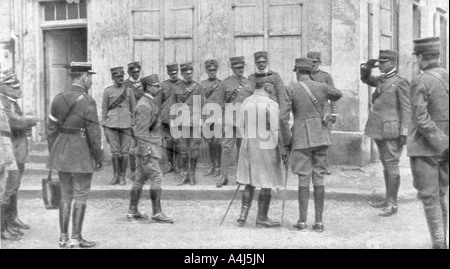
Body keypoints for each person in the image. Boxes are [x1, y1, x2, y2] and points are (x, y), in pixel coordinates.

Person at [280, 58, 342, 233]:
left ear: (297, 72)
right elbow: (337, 94)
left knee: (303, 178)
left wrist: (287, 140)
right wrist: (327, 113)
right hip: (321, 136)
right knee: (319, 178)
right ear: (310, 71)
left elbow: (283, 119)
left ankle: (301, 221)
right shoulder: (321, 86)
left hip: (301, 138)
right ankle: (319, 222)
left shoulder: (291, 89)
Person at [47, 62, 104, 248]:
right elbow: (94, 133)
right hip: (81, 153)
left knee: (65, 195)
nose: (92, 82)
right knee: (80, 194)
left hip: (61, 151)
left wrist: (54, 152)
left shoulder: (58, 98)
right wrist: (98, 156)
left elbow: (51, 130)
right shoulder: (88, 101)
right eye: (91, 78)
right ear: (84, 77)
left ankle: (63, 238)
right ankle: (75, 238)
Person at [408, 37, 449, 249]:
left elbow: (421, 119)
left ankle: (439, 244)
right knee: (441, 194)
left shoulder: (421, 80)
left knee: (430, 198)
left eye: (416, 58)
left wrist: (441, 142)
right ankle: (440, 242)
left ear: (421, 58)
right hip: (447, 149)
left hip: (427, 149)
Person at [360, 50, 411, 217]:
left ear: (391, 63)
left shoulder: (400, 82)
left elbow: (406, 109)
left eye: (382, 63)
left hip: (391, 131)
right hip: (379, 129)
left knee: (392, 164)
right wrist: (366, 67)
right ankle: (388, 198)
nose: (379, 65)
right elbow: (366, 79)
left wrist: (404, 132)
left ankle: (393, 203)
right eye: (379, 62)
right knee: (385, 163)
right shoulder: (382, 79)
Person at [236, 75, 284, 228]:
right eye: (272, 85)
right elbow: (277, 129)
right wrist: (284, 148)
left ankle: (243, 215)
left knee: (249, 181)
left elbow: (239, 125)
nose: (273, 88)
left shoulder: (246, 101)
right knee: (266, 181)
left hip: (248, 143)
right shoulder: (271, 104)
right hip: (266, 146)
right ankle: (262, 217)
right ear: (267, 86)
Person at [127, 74, 173, 224]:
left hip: (146, 148)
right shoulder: (144, 105)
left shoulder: (149, 102)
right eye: (156, 86)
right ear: (148, 87)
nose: (159, 88)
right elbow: (140, 132)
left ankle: (132, 211)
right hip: (147, 149)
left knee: (139, 178)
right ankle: (157, 212)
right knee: (157, 177)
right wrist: (146, 151)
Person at [208, 56, 254, 188]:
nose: (240, 70)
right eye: (237, 68)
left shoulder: (249, 83)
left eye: (242, 67)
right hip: (228, 121)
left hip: (244, 121)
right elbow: (219, 103)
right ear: (232, 68)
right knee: (227, 148)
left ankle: (241, 176)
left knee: (243, 149)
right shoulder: (225, 83)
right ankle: (224, 176)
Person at [0, 74, 37, 233]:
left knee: (14, 186)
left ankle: (12, 218)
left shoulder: (11, 102)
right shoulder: (3, 102)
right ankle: (6, 224)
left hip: (17, 149)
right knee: (7, 188)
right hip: (9, 151)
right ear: (4, 87)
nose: (19, 90)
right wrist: (31, 121)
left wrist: (24, 124)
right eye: (14, 87)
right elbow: (14, 122)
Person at [169, 63, 205, 186]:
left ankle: (192, 174)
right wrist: (172, 121)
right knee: (183, 150)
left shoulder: (198, 87)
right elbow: (172, 105)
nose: (189, 75)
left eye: (190, 73)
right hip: (181, 123)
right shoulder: (177, 87)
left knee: (194, 150)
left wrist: (202, 120)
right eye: (186, 73)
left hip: (195, 123)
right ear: (182, 74)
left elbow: (202, 105)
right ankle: (184, 175)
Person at [102, 66, 136, 186]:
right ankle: (115, 176)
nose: (121, 78)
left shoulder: (129, 91)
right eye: (118, 76)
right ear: (113, 78)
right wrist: (104, 124)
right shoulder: (108, 91)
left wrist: (133, 123)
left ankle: (122, 176)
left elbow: (134, 108)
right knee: (115, 152)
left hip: (126, 124)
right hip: (111, 125)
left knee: (125, 152)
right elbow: (104, 109)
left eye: (122, 76)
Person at [307, 51, 338, 176]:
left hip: (324, 110)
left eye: (315, 62)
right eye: (311, 62)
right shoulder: (305, 76)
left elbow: (334, 95)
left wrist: (334, 113)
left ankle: (324, 166)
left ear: (319, 62)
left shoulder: (325, 76)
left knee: (325, 139)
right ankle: (310, 165)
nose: (313, 64)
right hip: (309, 110)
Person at [0, 90, 20, 241]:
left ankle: (6, 226)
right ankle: (3, 229)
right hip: (2, 146)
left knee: (10, 183)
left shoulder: (3, 102)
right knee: (3, 189)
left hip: (6, 145)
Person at [201, 59, 222, 177]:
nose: (212, 72)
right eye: (210, 70)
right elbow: (199, 102)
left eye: (214, 70)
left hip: (217, 118)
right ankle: (211, 165)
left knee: (217, 143)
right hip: (207, 118)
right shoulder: (202, 85)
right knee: (209, 143)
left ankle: (218, 166)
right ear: (206, 70)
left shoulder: (221, 84)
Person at [160, 63, 182, 175]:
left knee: (177, 142)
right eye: (171, 73)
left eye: (175, 73)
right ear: (168, 73)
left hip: (178, 118)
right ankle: (170, 165)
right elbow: (159, 101)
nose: (174, 75)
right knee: (168, 143)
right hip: (166, 119)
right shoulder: (163, 85)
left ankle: (177, 165)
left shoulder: (183, 84)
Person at [125, 61, 145, 181]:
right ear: (129, 72)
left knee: (143, 145)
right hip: (131, 119)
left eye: (138, 72)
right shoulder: (126, 84)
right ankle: (133, 171)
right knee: (132, 148)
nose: (136, 74)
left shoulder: (144, 83)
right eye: (133, 72)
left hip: (143, 118)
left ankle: (142, 171)